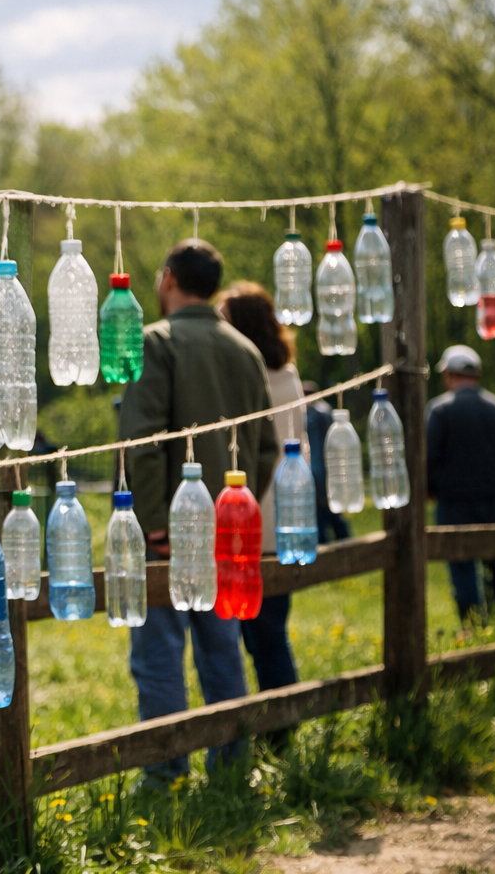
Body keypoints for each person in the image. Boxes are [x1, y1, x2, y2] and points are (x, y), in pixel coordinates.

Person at [120, 239, 278, 785]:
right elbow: (266, 448)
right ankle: (232, 766)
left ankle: (164, 771)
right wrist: (238, 513)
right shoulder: (246, 351)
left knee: (159, 650)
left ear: (167, 278)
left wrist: (155, 522)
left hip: (168, 531)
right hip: (226, 533)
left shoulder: (157, 343)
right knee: (221, 647)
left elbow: (142, 442)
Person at [216, 281, 303, 698]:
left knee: (262, 637)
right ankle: (278, 728)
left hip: (254, 523)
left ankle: (279, 729)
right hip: (283, 520)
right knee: (268, 634)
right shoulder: (288, 374)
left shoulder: (251, 379)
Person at [427, 344, 495, 632]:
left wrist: (430, 488)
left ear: (449, 375)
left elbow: (428, 457)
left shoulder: (440, 409)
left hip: (453, 503)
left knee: (462, 568)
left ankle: (472, 630)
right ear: (476, 374)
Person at [302, 380, 351, 544]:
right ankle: (345, 544)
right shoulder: (326, 411)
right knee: (334, 514)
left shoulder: (313, 414)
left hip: (318, 473)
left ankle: (332, 546)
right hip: (329, 472)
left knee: (323, 517)